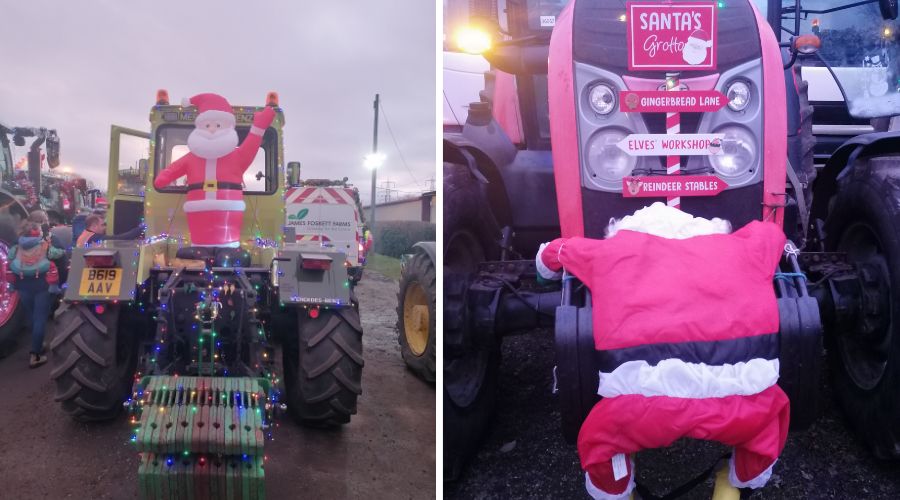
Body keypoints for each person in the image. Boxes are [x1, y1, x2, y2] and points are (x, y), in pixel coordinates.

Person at [7, 222, 64, 368]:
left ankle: (37, 343)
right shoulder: (43, 244)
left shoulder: (17, 246)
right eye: (39, 230)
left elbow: (10, 258)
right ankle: (35, 354)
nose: (40, 232)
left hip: (22, 286)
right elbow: (56, 253)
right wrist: (63, 250)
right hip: (41, 286)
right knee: (40, 319)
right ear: (34, 232)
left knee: (31, 317)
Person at [75, 214, 144, 247]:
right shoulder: (94, 238)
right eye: (102, 225)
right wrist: (141, 228)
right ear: (94, 226)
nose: (104, 227)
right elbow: (118, 238)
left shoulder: (84, 235)